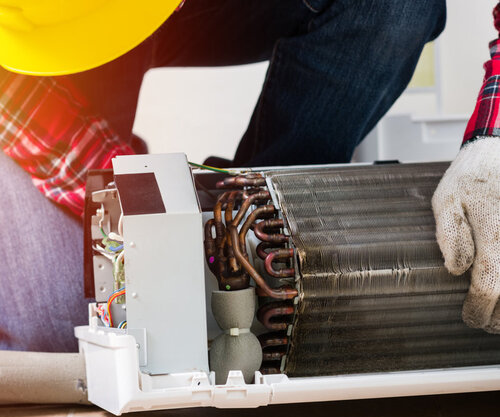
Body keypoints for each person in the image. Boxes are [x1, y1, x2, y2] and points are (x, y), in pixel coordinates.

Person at [0, 0, 497, 352]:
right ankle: (237, 243)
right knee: (64, 327)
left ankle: (267, 250)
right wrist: (151, 204)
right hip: (43, 32)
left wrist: (492, 145)